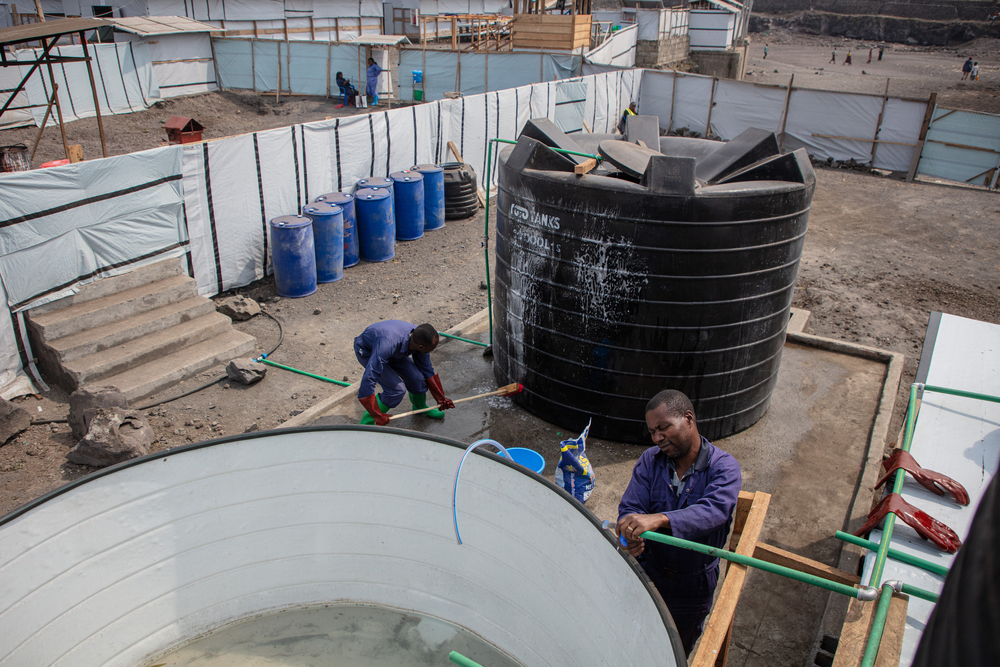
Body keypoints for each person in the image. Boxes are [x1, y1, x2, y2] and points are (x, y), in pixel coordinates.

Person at [615, 390, 742, 656]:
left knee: (673, 652)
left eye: (663, 428)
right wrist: (629, 533)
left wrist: (660, 518)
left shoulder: (724, 468)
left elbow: (714, 511)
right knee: (633, 641)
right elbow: (630, 508)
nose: (657, 438)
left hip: (692, 587)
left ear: (688, 418)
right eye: (652, 432)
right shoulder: (650, 461)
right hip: (649, 574)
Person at [353, 321, 455, 426]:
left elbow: (426, 369)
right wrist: (376, 414)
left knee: (417, 379)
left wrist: (441, 398)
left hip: (394, 353)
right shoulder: (387, 345)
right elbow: (369, 378)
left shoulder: (421, 337)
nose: (433, 349)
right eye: (433, 348)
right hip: (369, 351)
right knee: (396, 390)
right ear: (421, 347)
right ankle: (368, 423)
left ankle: (420, 407)